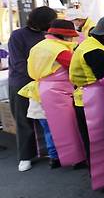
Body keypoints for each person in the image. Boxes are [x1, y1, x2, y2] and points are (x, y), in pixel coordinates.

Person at [20, 19, 86, 168]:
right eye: (70, 36)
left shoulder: (39, 46)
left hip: (40, 90)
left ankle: (54, 158)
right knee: (67, 127)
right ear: (64, 36)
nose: (72, 39)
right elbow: (75, 66)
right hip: (58, 93)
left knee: (49, 127)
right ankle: (76, 159)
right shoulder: (59, 50)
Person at [69, 16, 104, 190]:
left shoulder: (90, 44)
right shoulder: (94, 51)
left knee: (100, 139)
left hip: (87, 96)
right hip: (92, 99)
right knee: (99, 140)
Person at [8, 6, 57, 171]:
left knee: (47, 118)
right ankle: (25, 156)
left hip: (46, 82)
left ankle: (51, 152)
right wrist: (39, 75)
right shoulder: (18, 35)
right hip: (22, 83)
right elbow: (18, 63)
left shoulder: (48, 35)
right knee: (23, 120)